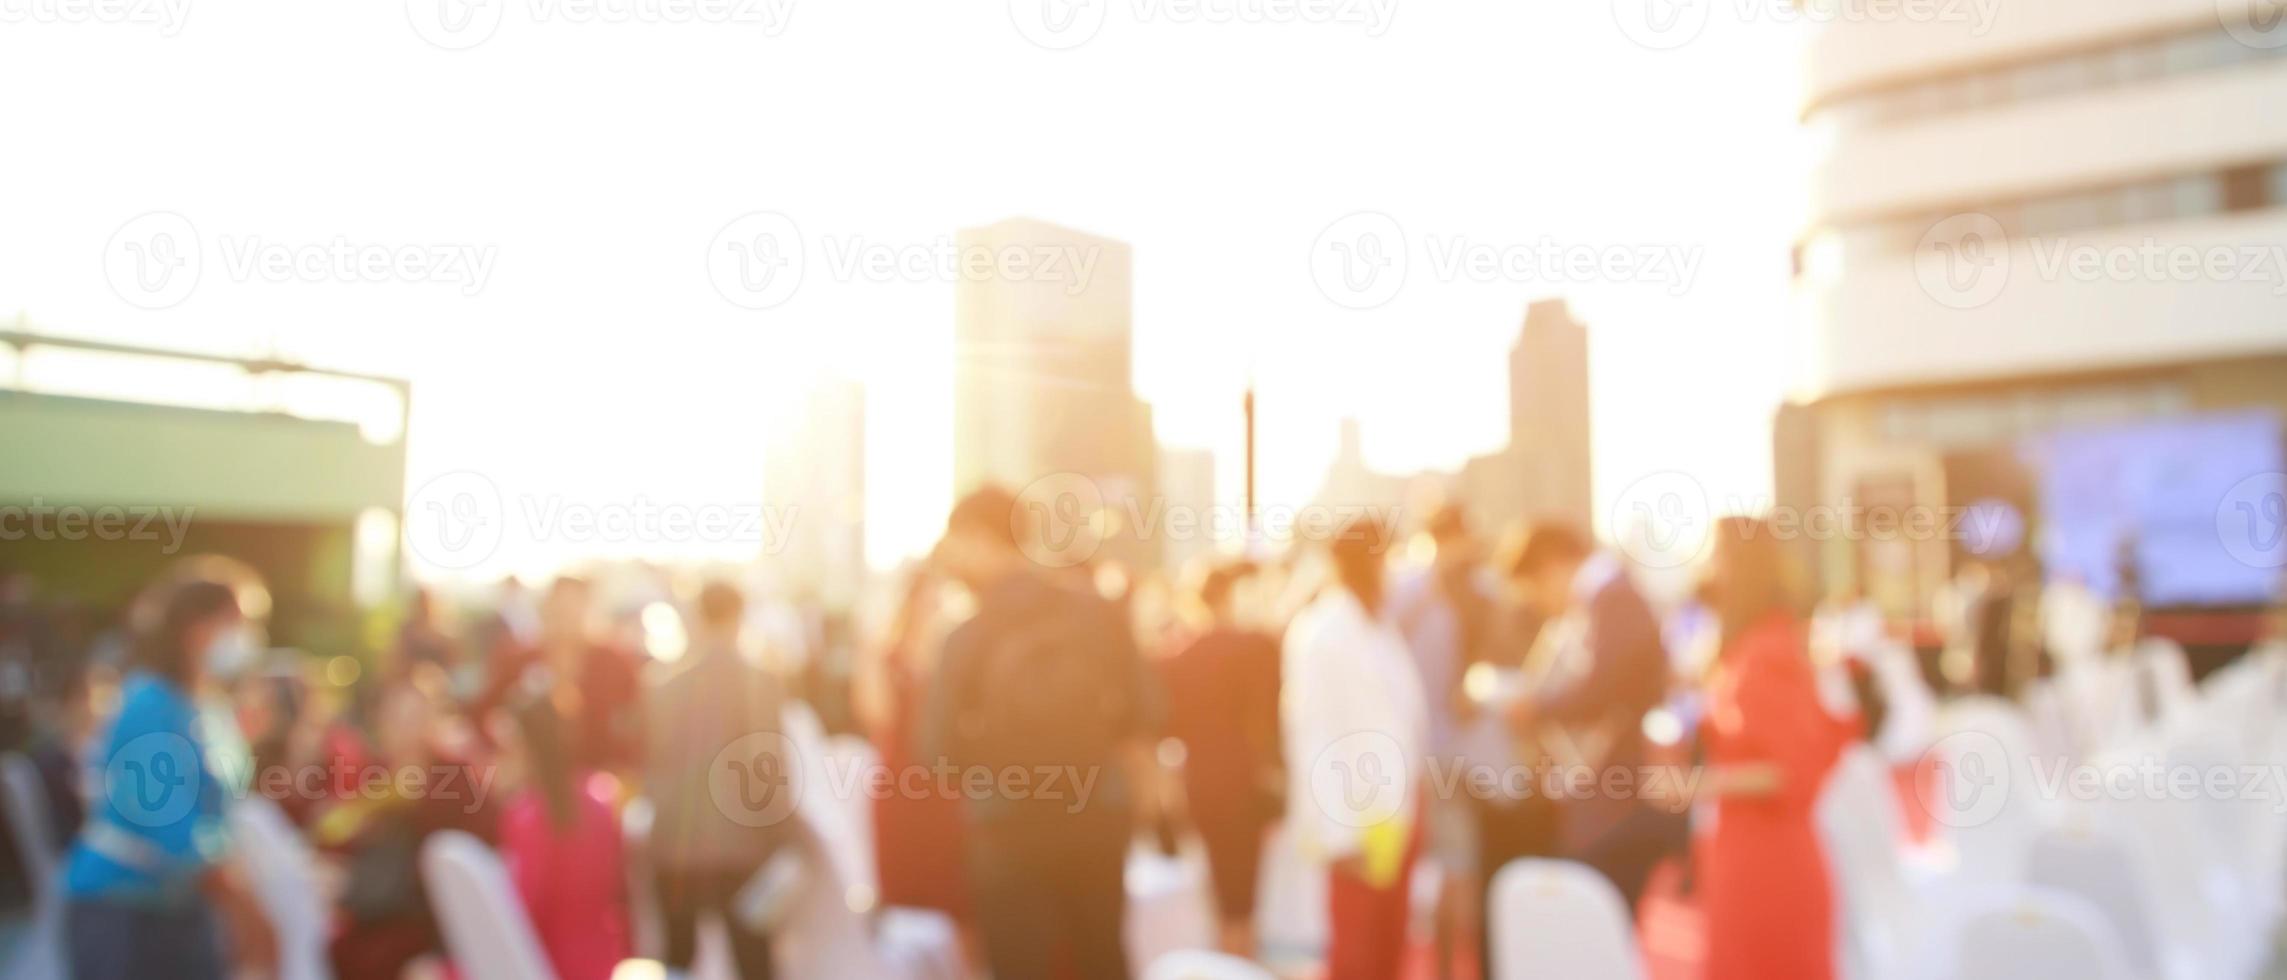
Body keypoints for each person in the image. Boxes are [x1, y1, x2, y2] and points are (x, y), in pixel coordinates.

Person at [922, 485, 1162, 980]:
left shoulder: (966, 634)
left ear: (981, 538)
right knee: (1102, 957)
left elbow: (935, 751)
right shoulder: (1098, 613)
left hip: (1006, 827)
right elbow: (1146, 713)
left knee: (1018, 965)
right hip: (1097, 813)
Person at [58, 579, 275, 980]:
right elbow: (167, 824)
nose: (245, 638)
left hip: (182, 910)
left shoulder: (209, 707)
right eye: (235, 622)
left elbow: (220, 806)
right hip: (124, 913)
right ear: (194, 626)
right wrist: (246, 910)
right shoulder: (149, 702)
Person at [1695, 517, 1854, 980]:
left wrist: (1700, 783)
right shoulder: (1756, 647)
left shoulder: (1768, 652)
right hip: (1745, 853)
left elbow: (1795, 774)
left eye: (1716, 556)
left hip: (1769, 862)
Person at [1503, 521, 1682, 913]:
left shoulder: (1613, 597)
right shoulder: (1609, 596)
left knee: (1599, 920)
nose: (1542, 603)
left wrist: (1537, 708)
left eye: (1535, 589)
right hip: (1608, 795)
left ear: (1551, 565)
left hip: (1614, 802)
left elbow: (1604, 689)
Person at [1283, 522, 1428, 980]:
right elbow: (1312, 734)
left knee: (1389, 947)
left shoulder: (1379, 626)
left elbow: (1405, 719)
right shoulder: (1321, 631)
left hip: (1392, 816)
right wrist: (1335, 835)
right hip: (1351, 821)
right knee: (1354, 955)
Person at [642, 580, 791, 980]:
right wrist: (783, 838)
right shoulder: (759, 681)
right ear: (740, 617)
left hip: (674, 847)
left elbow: (652, 766)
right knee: (753, 962)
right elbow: (769, 769)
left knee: (678, 961)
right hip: (741, 847)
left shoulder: (662, 687)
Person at [1156, 561, 1282, 959]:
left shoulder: (1180, 656)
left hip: (1202, 783)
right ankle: (1240, 960)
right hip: (1245, 783)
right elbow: (1270, 719)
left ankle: (1230, 960)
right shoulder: (1257, 647)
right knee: (1243, 892)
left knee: (1221, 888)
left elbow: (1167, 727)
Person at [1387, 506, 1489, 980]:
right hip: (1423, 751)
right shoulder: (1416, 589)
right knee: (1446, 866)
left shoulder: (1460, 591)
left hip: (1438, 752)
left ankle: (1446, 967)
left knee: (1451, 865)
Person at [860, 570, 973, 941]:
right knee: (906, 897)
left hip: (947, 787)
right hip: (900, 786)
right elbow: (876, 715)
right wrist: (870, 657)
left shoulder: (957, 656)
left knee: (958, 896)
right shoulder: (887, 656)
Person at [496, 687, 631, 980]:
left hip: (545, 964)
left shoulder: (528, 813)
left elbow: (526, 908)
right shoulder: (601, 797)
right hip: (603, 958)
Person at [476, 576, 645, 774]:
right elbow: (484, 713)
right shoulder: (518, 660)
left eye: (573, 612)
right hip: (534, 782)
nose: (565, 621)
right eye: (559, 612)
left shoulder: (614, 662)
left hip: (600, 779)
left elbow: (635, 723)